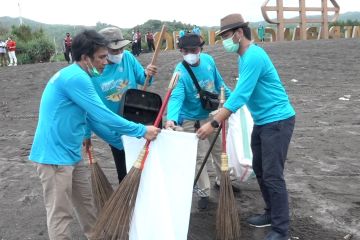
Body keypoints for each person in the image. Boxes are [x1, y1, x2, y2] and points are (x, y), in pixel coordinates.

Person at [28, 29, 160, 240]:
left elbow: (86, 116)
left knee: (86, 203)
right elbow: (102, 115)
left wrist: (89, 136)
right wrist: (142, 130)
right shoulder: (76, 78)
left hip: (73, 151)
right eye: (101, 57)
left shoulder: (79, 74)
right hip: (53, 156)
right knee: (60, 214)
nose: (106, 62)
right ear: (84, 58)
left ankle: (96, 236)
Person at [196, 13, 295, 240]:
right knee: (260, 170)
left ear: (239, 33)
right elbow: (240, 93)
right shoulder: (244, 57)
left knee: (273, 175)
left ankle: (281, 229)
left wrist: (214, 121)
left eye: (227, 35)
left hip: (278, 120)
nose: (225, 41)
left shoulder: (253, 56)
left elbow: (241, 95)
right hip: (263, 121)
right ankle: (271, 213)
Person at [164, 33, 238, 210]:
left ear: (200, 49)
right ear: (181, 51)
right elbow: (176, 97)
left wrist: (233, 100)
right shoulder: (180, 73)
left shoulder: (208, 61)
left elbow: (219, 83)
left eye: (194, 50)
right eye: (186, 51)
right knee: (198, 157)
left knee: (220, 149)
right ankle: (204, 192)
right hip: (192, 119)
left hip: (212, 114)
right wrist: (171, 119)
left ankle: (223, 181)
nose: (190, 53)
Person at [84, 26, 158, 183]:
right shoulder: (93, 71)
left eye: (121, 49)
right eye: (114, 51)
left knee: (145, 166)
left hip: (136, 119)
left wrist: (148, 74)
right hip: (115, 128)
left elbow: (143, 79)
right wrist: (87, 134)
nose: (119, 54)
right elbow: (86, 108)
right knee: (124, 170)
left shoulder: (128, 58)